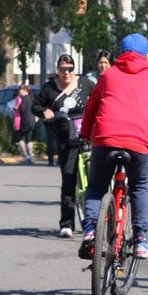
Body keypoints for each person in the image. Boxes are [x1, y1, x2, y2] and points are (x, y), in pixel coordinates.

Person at [78, 34, 148, 261]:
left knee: (96, 186)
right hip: (138, 143)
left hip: (104, 140)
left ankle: (89, 231)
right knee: (139, 186)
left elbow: (91, 107)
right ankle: (140, 239)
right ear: (146, 56)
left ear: (121, 55)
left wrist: (86, 134)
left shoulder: (107, 75)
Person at [33, 54, 95, 237]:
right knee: (68, 179)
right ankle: (67, 223)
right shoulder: (49, 88)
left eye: (69, 69)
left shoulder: (86, 84)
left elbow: (101, 98)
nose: (66, 73)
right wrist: (46, 111)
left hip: (88, 137)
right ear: (57, 70)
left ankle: (95, 219)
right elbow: (35, 106)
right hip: (65, 140)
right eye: (62, 69)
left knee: (95, 181)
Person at [13, 83, 36, 164]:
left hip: (24, 121)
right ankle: (31, 156)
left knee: (20, 137)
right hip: (32, 120)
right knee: (29, 139)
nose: (19, 92)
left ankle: (26, 155)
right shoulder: (31, 98)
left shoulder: (25, 98)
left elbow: (22, 109)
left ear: (23, 90)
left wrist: (16, 108)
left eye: (19, 90)